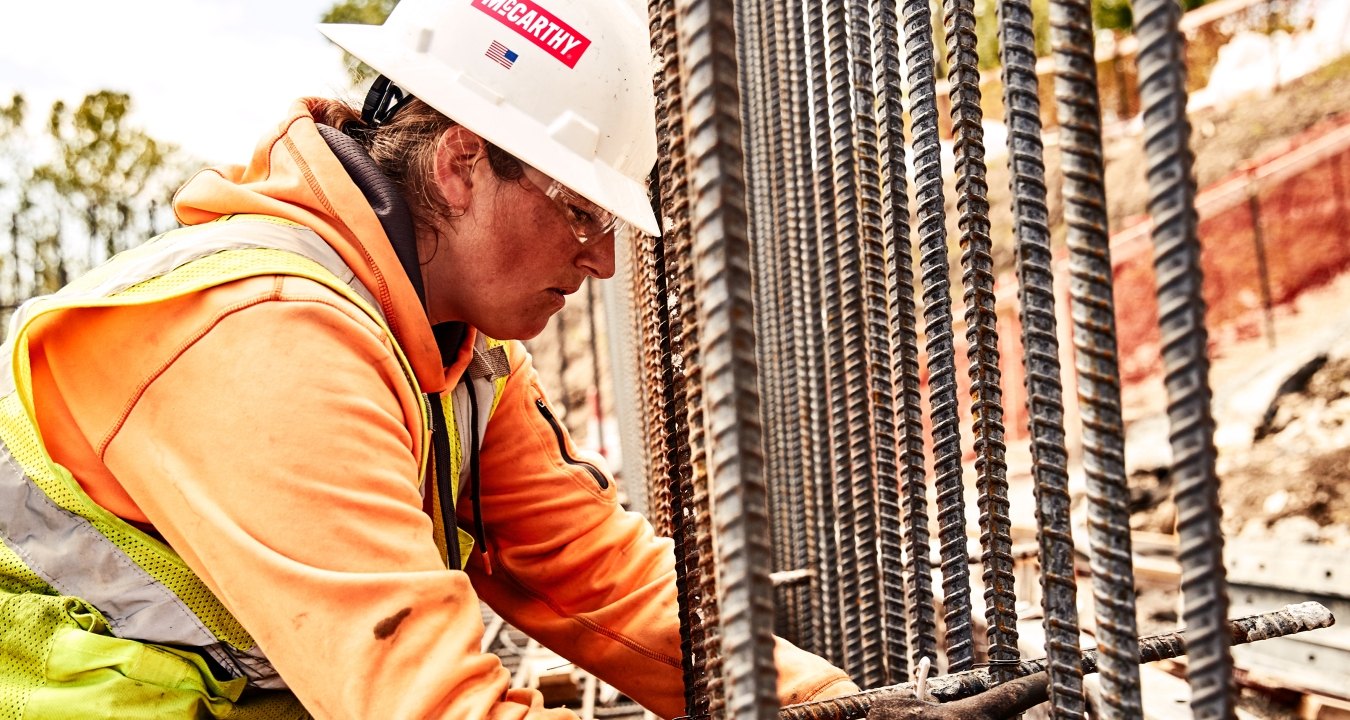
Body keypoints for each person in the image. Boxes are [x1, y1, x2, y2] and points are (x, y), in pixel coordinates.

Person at [0, 0, 858, 717]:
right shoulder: (266, 337)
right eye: (582, 214)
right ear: (460, 164)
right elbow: (428, 704)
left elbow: (597, 577)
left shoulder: (453, 353)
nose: (601, 260)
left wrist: (826, 705)